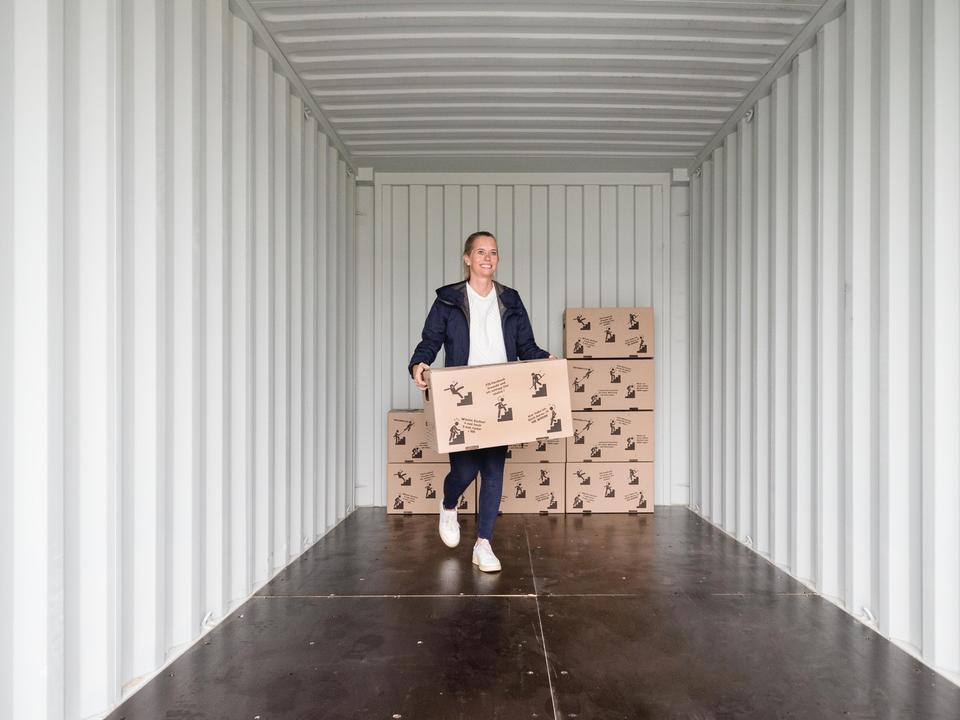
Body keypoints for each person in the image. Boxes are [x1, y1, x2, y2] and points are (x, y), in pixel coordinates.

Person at [409, 231, 551, 573]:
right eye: (481, 252)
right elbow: (431, 340)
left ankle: (483, 544)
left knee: (493, 470)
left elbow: (526, 347)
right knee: (464, 469)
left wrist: (546, 359)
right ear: (467, 258)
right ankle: (448, 504)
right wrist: (419, 364)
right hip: (462, 396)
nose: (488, 258)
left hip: (500, 392)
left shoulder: (511, 300)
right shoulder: (448, 300)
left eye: (493, 252)